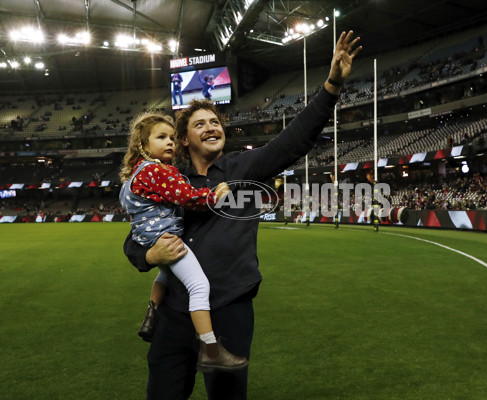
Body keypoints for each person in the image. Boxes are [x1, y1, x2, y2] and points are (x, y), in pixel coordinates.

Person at [123, 31, 362, 400]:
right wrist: (148, 256)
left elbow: (294, 140)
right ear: (183, 139)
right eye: (199, 124)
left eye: (215, 122)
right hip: (174, 312)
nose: (211, 127)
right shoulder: (170, 179)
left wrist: (331, 85)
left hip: (229, 308)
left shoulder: (244, 168)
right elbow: (135, 236)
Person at [119, 112, 248, 372]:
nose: (169, 142)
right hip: (165, 236)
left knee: (164, 276)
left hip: (149, 234)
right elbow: (186, 196)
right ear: (143, 145)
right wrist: (214, 196)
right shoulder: (156, 170)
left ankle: (151, 315)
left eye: (171, 138)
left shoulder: (138, 171)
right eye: (161, 137)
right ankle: (210, 349)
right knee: (199, 286)